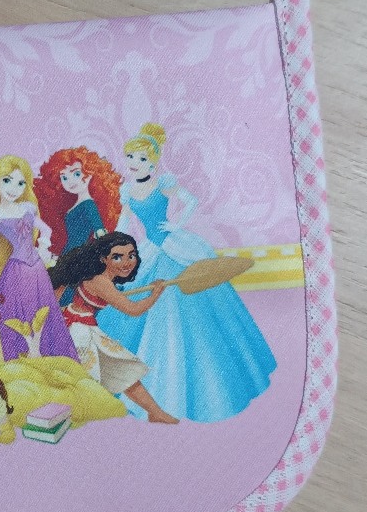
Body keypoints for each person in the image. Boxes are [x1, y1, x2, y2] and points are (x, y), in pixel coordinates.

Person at [97, 125, 276, 422]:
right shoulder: (127, 191)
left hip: (174, 246)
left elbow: (190, 200)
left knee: (185, 309)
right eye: (130, 157)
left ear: (153, 162)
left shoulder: (163, 183)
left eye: (141, 158)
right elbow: (124, 222)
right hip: (149, 250)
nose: (134, 163)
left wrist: (177, 224)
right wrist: (113, 242)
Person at [49, 232, 178, 424]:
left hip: (81, 324)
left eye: (131, 255)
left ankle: (155, 412)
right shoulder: (101, 282)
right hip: (80, 332)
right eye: (117, 257)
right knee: (87, 377)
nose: (126, 262)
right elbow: (133, 310)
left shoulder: (103, 280)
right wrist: (156, 294)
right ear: (104, 259)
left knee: (122, 369)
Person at [0, 155, 79, 361]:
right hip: (16, 271)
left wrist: (43, 246)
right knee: (20, 314)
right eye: (7, 180)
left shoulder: (27, 208)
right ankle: (23, 358)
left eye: (20, 183)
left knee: (43, 311)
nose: (14, 188)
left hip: (36, 268)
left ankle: (47, 356)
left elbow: (46, 230)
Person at [34, 147, 122, 305]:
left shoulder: (89, 205)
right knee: (58, 293)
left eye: (76, 174)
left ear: (91, 174)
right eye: (64, 177)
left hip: (79, 257)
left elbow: (101, 233)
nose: (70, 181)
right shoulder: (76, 204)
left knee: (65, 295)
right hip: (68, 253)